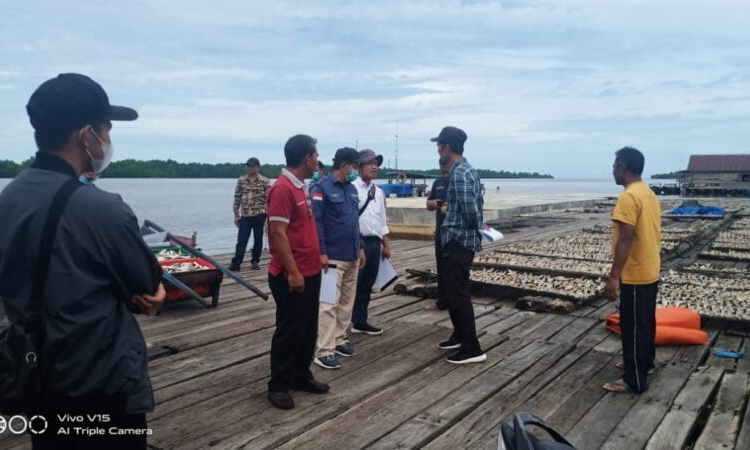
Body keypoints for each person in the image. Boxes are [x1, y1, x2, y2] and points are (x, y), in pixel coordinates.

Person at [0, 73, 165, 449]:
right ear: (86, 135)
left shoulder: (8, 199)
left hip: (35, 375)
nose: (108, 140)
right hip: (98, 378)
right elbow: (145, 282)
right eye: (106, 130)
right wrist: (153, 293)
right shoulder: (102, 208)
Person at [266, 134, 329, 410]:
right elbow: (277, 234)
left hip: (311, 270)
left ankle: (300, 375)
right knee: (290, 329)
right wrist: (292, 272)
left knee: (308, 328)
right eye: (315, 155)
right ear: (306, 158)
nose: (318, 159)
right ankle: (278, 384)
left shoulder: (301, 187)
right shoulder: (282, 189)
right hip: (291, 275)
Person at [603, 147, 661, 394]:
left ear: (624, 167)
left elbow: (625, 238)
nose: (613, 170)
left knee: (633, 326)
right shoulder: (648, 192)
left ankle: (634, 379)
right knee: (646, 322)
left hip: (636, 272)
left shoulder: (628, 197)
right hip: (650, 267)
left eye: (615, 166)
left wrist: (614, 276)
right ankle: (643, 363)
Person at [432, 126, 487, 364]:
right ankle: (459, 335)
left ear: (447, 147)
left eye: (439, 146)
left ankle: (472, 348)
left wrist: (477, 230)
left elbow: (471, 211)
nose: (438, 150)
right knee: (454, 293)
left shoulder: (460, 173)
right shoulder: (464, 170)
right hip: (456, 241)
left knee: (458, 295)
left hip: (458, 242)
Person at [312, 147, 365, 370]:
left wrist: (360, 247)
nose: (356, 171)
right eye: (354, 166)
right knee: (328, 304)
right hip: (332, 257)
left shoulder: (352, 190)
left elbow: (354, 221)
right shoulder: (321, 188)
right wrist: (322, 252)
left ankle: (340, 339)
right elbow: (317, 222)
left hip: (352, 255)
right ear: (344, 166)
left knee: (346, 302)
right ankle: (324, 350)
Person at [352, 149, 391, 336]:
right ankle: (347, 320)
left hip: (375, 243)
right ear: (359, 166)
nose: (374, 167)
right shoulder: (352, 189)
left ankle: (360, 320)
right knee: (354, 284)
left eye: (376, 163)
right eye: (370, 163)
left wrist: (386, 244)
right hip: (358, 243)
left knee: (367, 284)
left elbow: (382, 221)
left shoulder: (379, 192)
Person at [230, 157, 271, 271]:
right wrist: (236, 214)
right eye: (248, 166)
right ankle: (237, 262)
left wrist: (268, 219)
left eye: (252, 166)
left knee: (258, 239)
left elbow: (269, 199)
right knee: (242, 239)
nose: (249, 168)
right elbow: (237, 197)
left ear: (258, 167)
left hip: (259, 214)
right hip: (246, 215)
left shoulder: (264, 181)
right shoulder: (241, 180)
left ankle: (255, 261)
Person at [426, 158, 451, 310]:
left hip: (455, 234)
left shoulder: (458, 182)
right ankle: (442, 300)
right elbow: (428, 204)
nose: (444, 172)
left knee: (453, 269)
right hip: (440, 233)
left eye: (446, 169)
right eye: (442, 170)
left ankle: (454, 300)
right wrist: (434, 203)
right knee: (441, 267)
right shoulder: (438, 183)